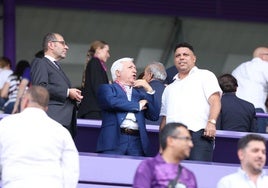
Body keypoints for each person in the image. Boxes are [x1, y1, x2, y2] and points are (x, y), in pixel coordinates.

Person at [0, 86, 79, 188]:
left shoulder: (5, 124)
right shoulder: (61, 131)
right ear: (46, 108)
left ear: (25, 102)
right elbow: (71, 169)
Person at [160, 42, 222, 162]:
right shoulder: (169, 88)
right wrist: (162, 145)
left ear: (194, 58)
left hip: (199, 135)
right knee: (173, 177)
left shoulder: (205, 75)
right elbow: (164, 119)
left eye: (185, 54)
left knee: (199, 175)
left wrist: (212, 122)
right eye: (178, 55)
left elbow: (215, 101)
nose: (181, 57)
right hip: (173, 139)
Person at [96, 57, 160, 156]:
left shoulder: (140, 93)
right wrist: (138, 105)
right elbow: (112, 102)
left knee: (134, 171)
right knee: (110, 170)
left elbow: (154, 116)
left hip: (137, 142)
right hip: (114, 140)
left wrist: (149, 89)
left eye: (135, 68)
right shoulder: (107, 88)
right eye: (130, 67)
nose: (135, 70)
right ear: (118, 73)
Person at [31, 33, 83, 137]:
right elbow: (40, 88)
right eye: (63, 43)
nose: (66, 47)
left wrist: (73, 94)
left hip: (62, 120)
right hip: (54, 119)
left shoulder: (55, 66)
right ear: (51, 45)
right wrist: (67, 92)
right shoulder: (41, 62)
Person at [133, 122, 197, 188]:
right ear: (171, 140)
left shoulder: (189, 176)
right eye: (186, 139)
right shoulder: (149, 167)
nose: (191, 144)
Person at [232, 47, 268, 133]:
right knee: (258, 141)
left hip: (236, 111)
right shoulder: (264, 65)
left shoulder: (238, 68)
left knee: (239, 141)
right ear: (263, 56)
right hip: (255, 109)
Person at [77, 40, 110, 119]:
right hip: (94, 110)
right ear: (99, 49)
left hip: (93, 109)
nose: (108, 55)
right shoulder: (95, 63)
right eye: (107, 51)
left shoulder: (94, 63)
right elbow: (98, 87)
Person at [12, 50, 44, 114]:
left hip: (31, 103)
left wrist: (16, 105)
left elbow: (22, 86)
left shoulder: (30, 69)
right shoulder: (52, 72)